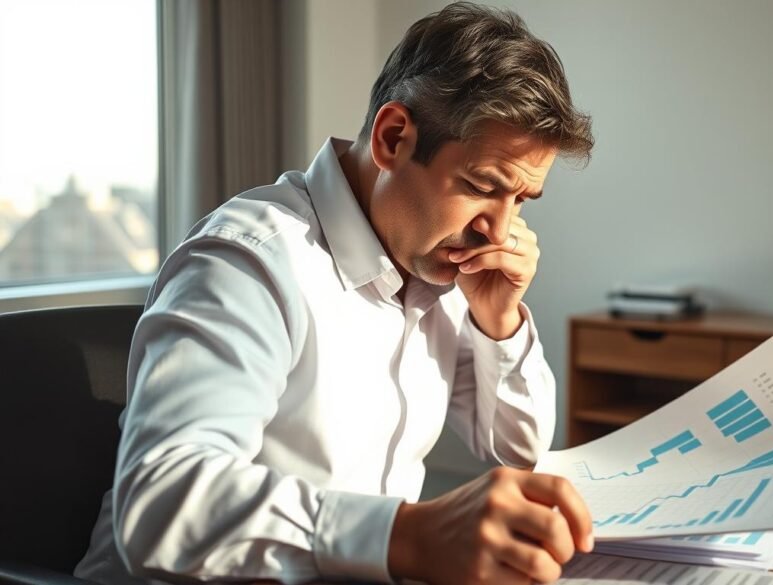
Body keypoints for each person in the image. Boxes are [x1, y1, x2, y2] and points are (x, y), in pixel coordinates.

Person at [75, 2, 595, 584]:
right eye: (480, 187)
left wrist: (497, 319)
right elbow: (162, 505)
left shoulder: (442, 266)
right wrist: (408, 535)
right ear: (393, 137)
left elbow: (517, 448)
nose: (499, 231)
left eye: (521, 200)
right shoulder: (249, 261)